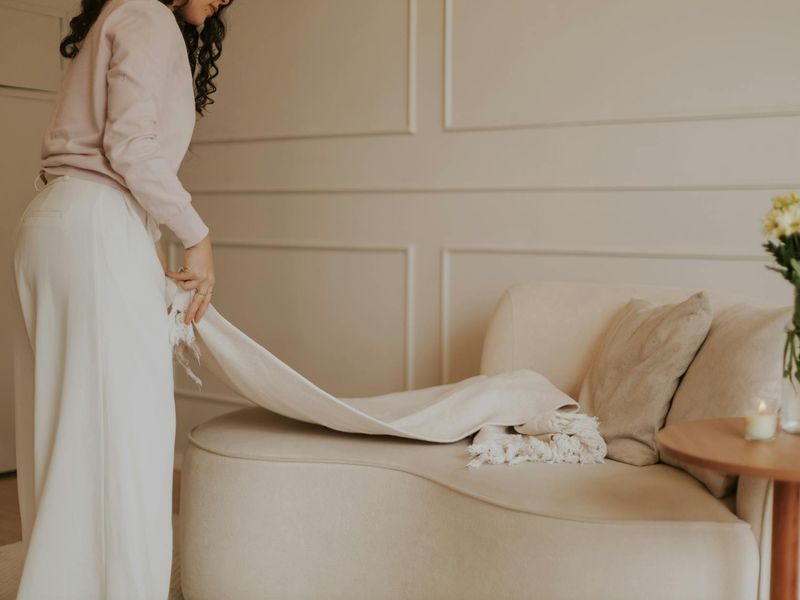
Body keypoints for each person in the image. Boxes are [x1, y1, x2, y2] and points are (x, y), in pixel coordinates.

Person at [9, 0, 232, 597]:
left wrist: (138, 241)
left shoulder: (117, 14)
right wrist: (198, 236)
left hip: (54, 223)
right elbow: (131, 145)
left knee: (60, 435)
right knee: (129, 437)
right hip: (93, 224)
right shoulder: (150, 15)